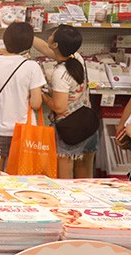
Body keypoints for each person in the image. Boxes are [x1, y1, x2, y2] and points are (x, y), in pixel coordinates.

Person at [0, 22, 46, 171]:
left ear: (5, 39)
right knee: (22, 174)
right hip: (25, 129)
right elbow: (36, 103)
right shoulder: (32, 67)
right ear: (29, 44)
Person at [33, 25, 98, 179]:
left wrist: (42, 94)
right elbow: (46, 48)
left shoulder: (60, 74)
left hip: (69, 129)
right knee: (85, 175)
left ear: (55, 45)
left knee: (65, 177)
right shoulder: (77, 58)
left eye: (52, 34)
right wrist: (28, 34)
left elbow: (59, 107)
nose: (49, 35)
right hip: (88, 123)